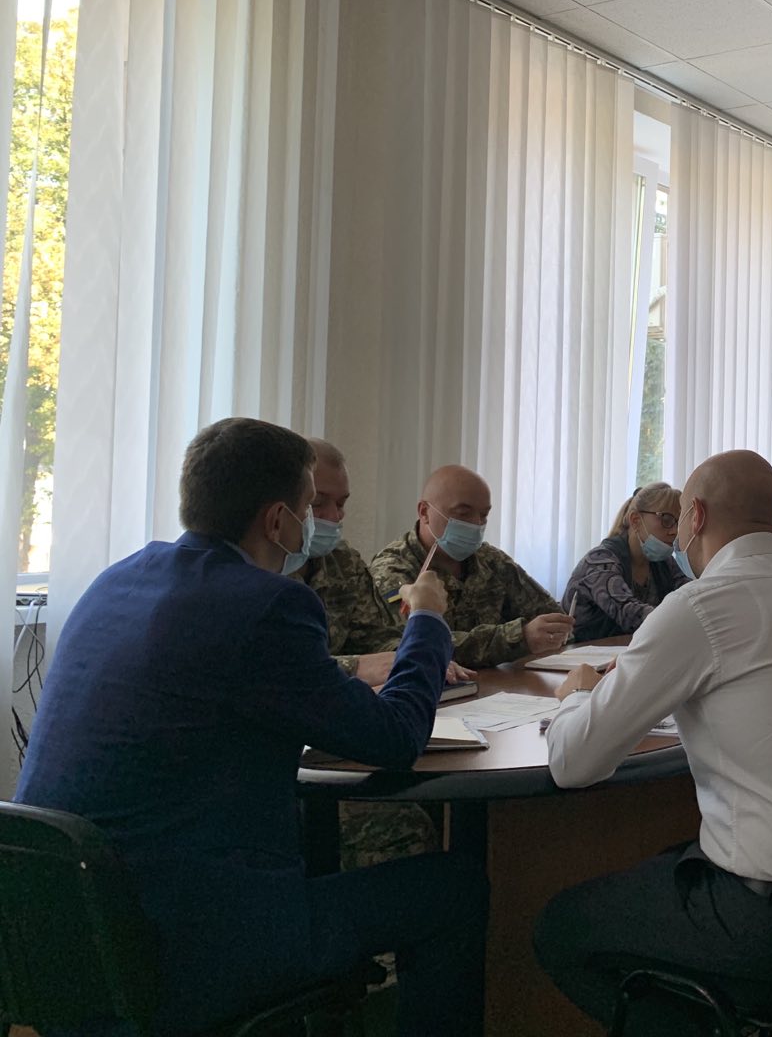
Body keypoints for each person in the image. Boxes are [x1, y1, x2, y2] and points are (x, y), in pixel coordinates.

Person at [15, 418, 486, 1037]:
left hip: (58, 937)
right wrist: (426, 621)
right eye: (309, 506)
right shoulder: (269, 606)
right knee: (455, 887)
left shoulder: (115, 580)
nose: (318, 521)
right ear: (277, 521)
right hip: (180, 946)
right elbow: (396, 738)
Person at [533, 451, 772, 1029]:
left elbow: (573, 763)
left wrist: (578, 696)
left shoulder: (701, 605)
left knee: (560, 928)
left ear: (696, 516)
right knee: (668, 858)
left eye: (679, 516)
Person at [299, 437, 470, 868]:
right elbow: (288, 668)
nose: (334, 517)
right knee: (407, 828)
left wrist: (423, 657)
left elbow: (381, 636)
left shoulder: (342, 561)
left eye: (342, 504)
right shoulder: (256, 577)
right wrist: (358, 666)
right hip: (300, 763)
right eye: (319, 504)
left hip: (349, 731)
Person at [370, 463, 574, 667]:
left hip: (498, 682)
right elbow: (415, 644)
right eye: (463, 513)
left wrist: (551, 630)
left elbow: (549, 616)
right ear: (424, 512)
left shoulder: (491, 560)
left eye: (483, 515)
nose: (476, 524)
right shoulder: (392, 568)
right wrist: (519, 637)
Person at [561, 481, 690, 645]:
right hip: (579, 655)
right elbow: (629, 614)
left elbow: (690, 595)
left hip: (628, 652)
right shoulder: (600, 560)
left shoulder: (665, 562)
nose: (674, 531)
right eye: (666, 519)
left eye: (679, 522)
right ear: (635, 520)